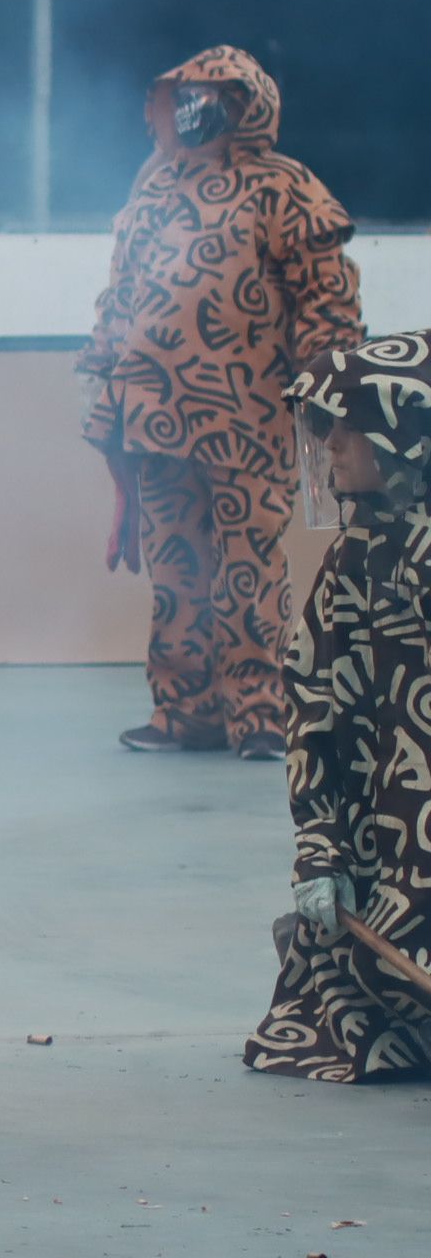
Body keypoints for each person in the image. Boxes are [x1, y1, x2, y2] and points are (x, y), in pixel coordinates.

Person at [83, 45, 361, 758]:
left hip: (251, 419)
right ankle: (185, 710)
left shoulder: (286, 188)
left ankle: (260, 715)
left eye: (208, 96)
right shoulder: (153, 188)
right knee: (176, 569)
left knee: (249, 568)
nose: (190, 110)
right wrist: (106, 402)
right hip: (157, 420)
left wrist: (328, 402)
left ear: (245, 104)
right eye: (183, 97)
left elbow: (327, 302)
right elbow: (121, 299)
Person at [247, 335, 431, 1081]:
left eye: (348, 423)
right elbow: (314, 710)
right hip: (387, 827)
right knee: (372, 979)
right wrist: (319, 853)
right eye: (324, 426)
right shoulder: (355, 555)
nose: (331, 444)